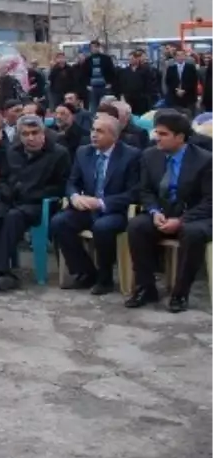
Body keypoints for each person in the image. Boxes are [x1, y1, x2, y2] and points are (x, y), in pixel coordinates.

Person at [125, 110, 213, 313]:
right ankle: (145, 288)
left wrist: (181, 220)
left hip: (195, 216)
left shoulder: (205, 160)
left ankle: (180, 294)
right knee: (137, 226)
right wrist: (154, 211)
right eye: (156, 132)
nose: (156, 137)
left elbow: (210, 201)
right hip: (163, 214)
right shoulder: (150, 155)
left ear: (180, 137)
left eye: (163, 134)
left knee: (192, 233)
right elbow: (145, 190)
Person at [50, 113, 141, 295]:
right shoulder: (84, 152)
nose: (93, 134)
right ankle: (86, 272)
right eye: (93, 130)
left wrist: (101, 203)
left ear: (114, 136)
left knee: (102, 227)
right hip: (87, 208)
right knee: (59, 222)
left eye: (100, 131)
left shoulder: (131, 156)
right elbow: (71, 182)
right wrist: (75, 196)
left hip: (115, 210)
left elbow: (134, 192)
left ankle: (105, 278)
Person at [0, 114, 70, 293]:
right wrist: (4, 189)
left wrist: (32, 193)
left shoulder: (58, 153)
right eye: (25, 133)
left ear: (43, 133)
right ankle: (2, 273)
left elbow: (61, 187)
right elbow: (3, 178)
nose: (30, 137)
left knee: (14, 217)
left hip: (39, 205)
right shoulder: (13, 151)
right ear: (19, 135)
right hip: (12, 200)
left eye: (35, 132)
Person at [77, 41, 117, 112]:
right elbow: (83, 74)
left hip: (104, 87)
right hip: (92, 88)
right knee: (93, 107)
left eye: (95, 47)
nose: (94, 49)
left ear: (99, 47)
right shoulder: (87, 60)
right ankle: (94, 121)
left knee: (106, 107)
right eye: (92, 47)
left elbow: (112, 72)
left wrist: (110, 83)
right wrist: (87, 85)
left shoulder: (106, 58)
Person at [164, 49, 198, 114]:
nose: (180, 57)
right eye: (178, 55)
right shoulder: (171, 68)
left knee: (189, 116)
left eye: (182, 55)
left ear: (185, 56)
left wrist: (184, 90)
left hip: (188, 96)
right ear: (175, 57)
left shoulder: (190, 67)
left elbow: (194, 81)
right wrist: (176, 90)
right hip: (175, 97)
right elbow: (168, 81)